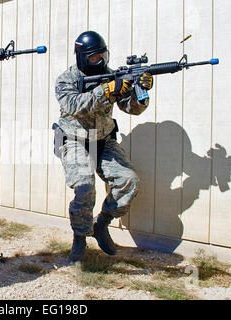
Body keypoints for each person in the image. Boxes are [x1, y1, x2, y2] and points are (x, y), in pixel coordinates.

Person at [53, 31, 153, 262]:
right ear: (81, 57)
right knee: (85, 188)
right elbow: (72, 105)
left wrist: (141, 92)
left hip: (104, 140)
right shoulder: (66, 79)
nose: (100, 61)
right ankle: (80, 237)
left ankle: (101, 224)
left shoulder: (111, 75)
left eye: (102, 56)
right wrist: (106, 90)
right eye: (93, 57)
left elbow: (132, 108)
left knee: (129, 180)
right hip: (74, 139)